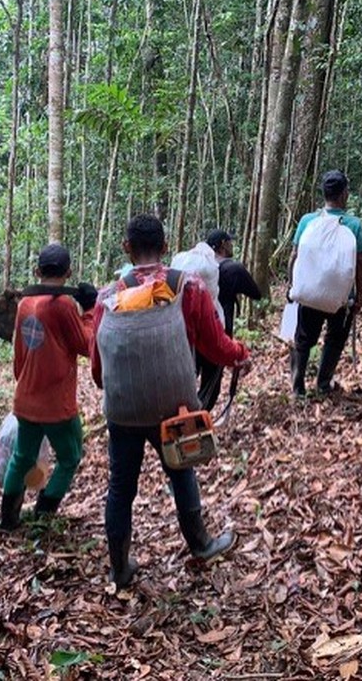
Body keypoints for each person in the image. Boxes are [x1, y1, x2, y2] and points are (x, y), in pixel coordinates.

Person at [90, 214, 251, 589]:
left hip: (124, 410)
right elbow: (215, 345)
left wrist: (114, 388)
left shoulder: (107, 298)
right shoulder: (187, 288)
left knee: (121, 486)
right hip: (174, 406)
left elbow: (99, 367)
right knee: (181, 471)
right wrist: (241, 353)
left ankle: (119, 567)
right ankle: (201, 544)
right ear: (165, 248)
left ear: (126, 248)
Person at [0, 243, 97, 533]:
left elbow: (19, 355)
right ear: (68, 273)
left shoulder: (25, 303)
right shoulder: (63, 305)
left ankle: (8, 521)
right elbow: (86, 344)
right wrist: (91, 309)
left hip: (27, 399)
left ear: (37, 271)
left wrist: (25, 384)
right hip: (56, 405)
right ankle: (43, 515)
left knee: (22, 457)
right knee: (70, 457)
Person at [287, 169, 362, 396]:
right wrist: (359, 296)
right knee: (334, 339)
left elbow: (295, 256)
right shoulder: (353, 225)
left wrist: (291, 284)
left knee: (303, 339)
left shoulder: (307, 221)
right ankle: (323, 384)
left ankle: (298, 388)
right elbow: (360, 264)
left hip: (309, 293)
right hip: (341, 299)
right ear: (344, 195)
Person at [197, 229, 262, 410]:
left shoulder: (199, 269)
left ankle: (184, 425)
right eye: (230, 242)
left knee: (187, 384)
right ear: (224, 244)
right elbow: (256, 293)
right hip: (218, 332)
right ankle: (193, 427)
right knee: (210, 387)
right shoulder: (233, 269)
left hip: (192, 332)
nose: (232, 245)